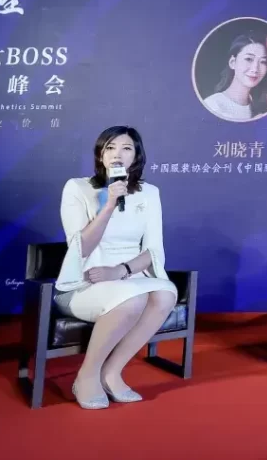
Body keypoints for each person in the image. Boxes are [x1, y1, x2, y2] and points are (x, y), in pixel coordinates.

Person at [55, 126, 178, 409]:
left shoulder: (149, 193)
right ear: (100, 154)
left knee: (165, 294)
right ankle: (87, 376)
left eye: (126, 148)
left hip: (127, 276)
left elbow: (153, 251)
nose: (117, 154)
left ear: (136, 156)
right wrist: (109, 205)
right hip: (85, 283)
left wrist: (120, 271)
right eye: (110, 148)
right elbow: (80, 249)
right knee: (131, 299)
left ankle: (111, 372)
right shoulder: (78, 188)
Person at [202, 31, 267, 121]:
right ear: (232, 62)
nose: (255, 69)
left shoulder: (263, 107)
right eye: (249, 59)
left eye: (263, 61)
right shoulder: (213, 105)